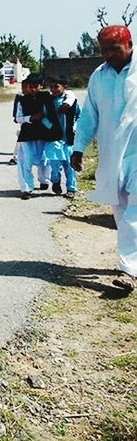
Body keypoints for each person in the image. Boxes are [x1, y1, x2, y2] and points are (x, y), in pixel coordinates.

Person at [72, 25, 136, 292]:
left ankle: (128, 270)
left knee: (134, 210)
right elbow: (89, 116)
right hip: (113, 153)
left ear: (129, 44)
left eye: (114, 48)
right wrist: (78, 147)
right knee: (121, 209)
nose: (108, 55)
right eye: (104, 50)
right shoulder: (99, 76)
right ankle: (130, 263)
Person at [14, 73, 61, 200]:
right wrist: (30, 118)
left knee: (45, 160)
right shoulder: (22, 100)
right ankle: (27, 189)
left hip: (45, 133)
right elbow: (18, 118)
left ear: (41, 86)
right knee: (25, 161)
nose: (32, 89)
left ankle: (44, 180)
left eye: (35, 86)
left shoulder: (48, 98)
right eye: (30, 87)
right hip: (27, 134)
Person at [47, 75, 80, 199]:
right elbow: (44, 117)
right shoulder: (48, 102)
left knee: (70, 165)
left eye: (56, 87)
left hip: (68, 139)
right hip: (53, 138)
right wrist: (50, 126)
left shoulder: (71, 101)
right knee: (54, 164)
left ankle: (71, 188)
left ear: (64, 87)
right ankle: (55, 181)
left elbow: (79, 116)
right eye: (51, 87)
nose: (54, 89)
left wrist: (75, 127)